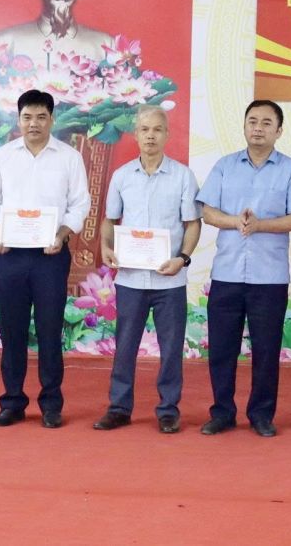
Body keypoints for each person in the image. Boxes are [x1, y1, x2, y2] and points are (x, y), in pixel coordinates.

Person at [197, 99, 291, 437]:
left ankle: (261, 414)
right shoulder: (225, 166)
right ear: (245, 126)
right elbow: (207, 211)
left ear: (279, 130)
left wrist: (261, 225)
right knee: (222, 349)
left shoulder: (290, 169)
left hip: (269, 277)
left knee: (266, 350)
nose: (258, 128)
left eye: (266, 123)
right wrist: (236, 221)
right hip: (227, 273)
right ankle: (222, 412)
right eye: (252, 121)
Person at [0, 89, 89, 428]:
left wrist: (62, 234)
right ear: (18, 120)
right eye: (27, 117)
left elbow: (80, 204)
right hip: (10, 255)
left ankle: (51, 404)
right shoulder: (3, 156)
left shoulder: (69, 157)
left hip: (50, 256)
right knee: (12, 331)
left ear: (52, 120)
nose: (34, 124)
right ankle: (12, 401)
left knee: (49, 330)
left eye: (41, 117)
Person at [94, 105, 202, 434]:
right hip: (131, 278)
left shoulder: (183, 176)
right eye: (144, 129)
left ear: (167, 134)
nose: (151, 135)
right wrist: (106, 248)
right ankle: (119, 408)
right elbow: (109, 220)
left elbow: (192, 224)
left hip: (170, 279)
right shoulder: (122, 176)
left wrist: (182, 258)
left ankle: (168, 409)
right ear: (136, 134)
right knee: (125, 346)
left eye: (157, 129)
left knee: (171, 349)